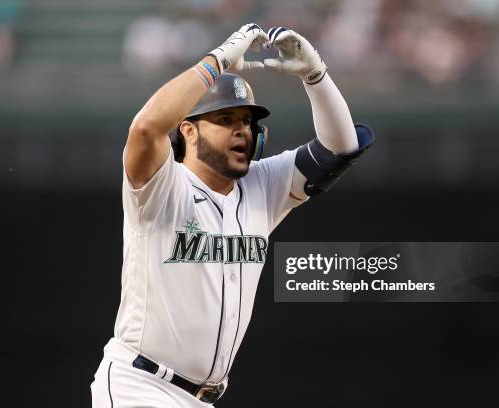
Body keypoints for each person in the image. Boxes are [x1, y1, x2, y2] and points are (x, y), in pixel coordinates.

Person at [91, 23, 374, 407]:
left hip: (202, 398)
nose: (242, 130)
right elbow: (145, 129)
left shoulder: (262, 185)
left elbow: (341, 147)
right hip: (139, 386)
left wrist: (315, 75)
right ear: (188, 132)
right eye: (225, 120)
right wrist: (219, 60)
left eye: (247, 121)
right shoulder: (161, 186)